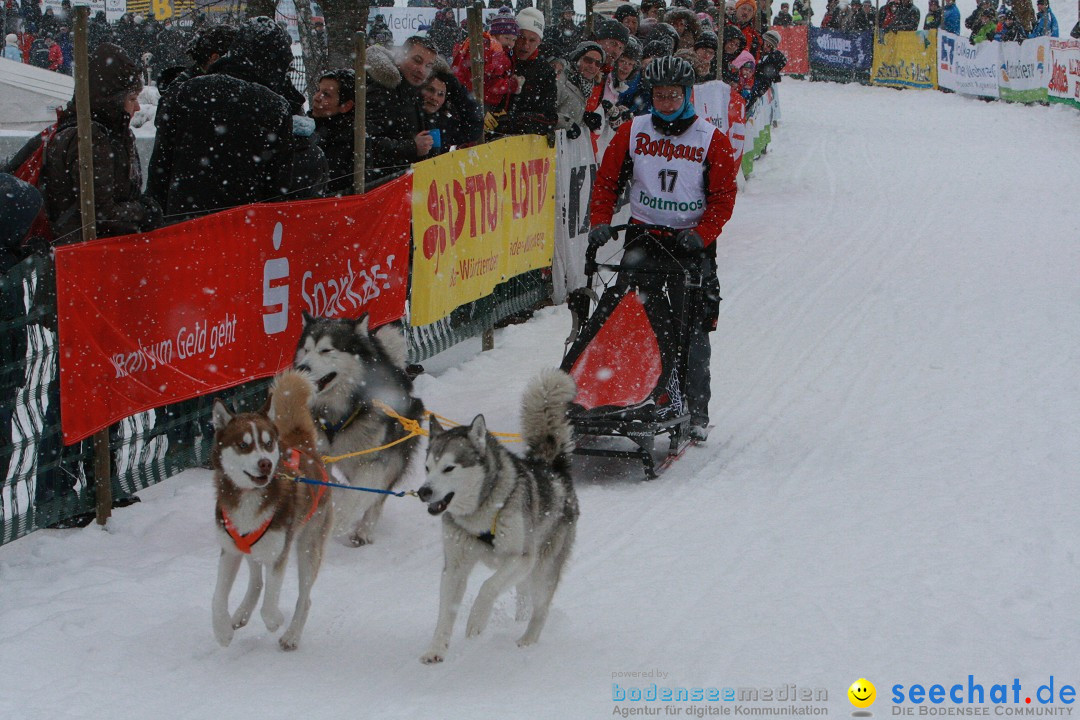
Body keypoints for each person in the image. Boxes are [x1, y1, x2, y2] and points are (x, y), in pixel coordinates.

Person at [36, 43, 158, 525]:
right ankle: (59, 489)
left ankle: (97, 478)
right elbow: (95, 214)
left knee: (101, 376)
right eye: (130, 95)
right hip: (82, 275)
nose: (136, 105)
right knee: (71, 385)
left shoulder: (107, 131)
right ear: (110, 93)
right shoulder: (87, 138)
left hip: (104, 276)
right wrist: (143, 212)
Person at [588, 56, 738, 441]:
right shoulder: (633, 131)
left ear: (687, 95)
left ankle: (695, 409)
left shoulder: (710, 139)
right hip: (643, 238)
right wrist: (601, 221)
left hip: (690, 245)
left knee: (694, 327)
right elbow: (607, 181)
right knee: (632, 320)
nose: (666, 103)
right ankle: (623, 395)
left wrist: (702, 233)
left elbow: (723, 197)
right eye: (659, 96)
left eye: (673, 96)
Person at [148, 17, 304, 221]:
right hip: (242, 228)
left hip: (183, 224)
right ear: (275, 62)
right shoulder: (274, 108)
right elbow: (277, 186)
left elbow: (160, 168)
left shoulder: (185, 92)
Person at [493, 8, 557, 137]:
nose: (525, 45)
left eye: (532, 40)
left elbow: (550, 117)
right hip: (490, 139)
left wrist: (517, 121)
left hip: (523, 146)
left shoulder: (544, 71)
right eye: (521, 38)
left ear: (539, 41)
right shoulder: (498, 60)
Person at [310, 69, 357, 195]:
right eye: (317, 90)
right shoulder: (305, 127)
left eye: (326, 94)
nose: (316, 98)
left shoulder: (354, 140)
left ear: (346, 106)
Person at [419, 68, 483, 156]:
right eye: (430, 90)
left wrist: (458, 91)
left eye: (441, 94)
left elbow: (473, 129)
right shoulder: (405, 115)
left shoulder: (443, 123)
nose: (434, 97)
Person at [555, 40, 605, 133]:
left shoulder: (584, 86)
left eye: (598, 63)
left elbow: (568, 113)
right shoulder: (561, 78)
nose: (592, 66)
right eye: (588, 60)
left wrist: (584, 119)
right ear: (577, 59)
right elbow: (545, 113)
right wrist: (567, 125)